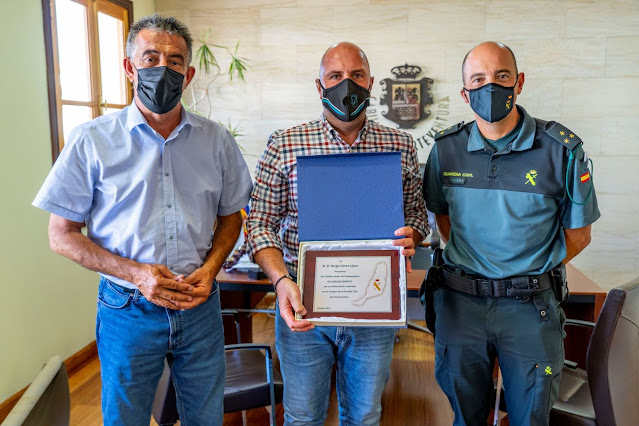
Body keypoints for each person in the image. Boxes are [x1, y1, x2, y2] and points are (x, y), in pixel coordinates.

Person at [32, 14, 252, 425]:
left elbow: (231, 217)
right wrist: (136, 274)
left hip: (199, 305)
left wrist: (211, 268)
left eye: (174, 61)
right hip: (126, 307)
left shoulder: (216, 140)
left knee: (206, 417)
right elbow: (61, 235)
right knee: (125, 419)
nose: (162, 69)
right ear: (130, 68)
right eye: (150, 58)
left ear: (188, 75)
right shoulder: (91, 140)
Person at [246, 42, 429, 425]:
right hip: (303, 308)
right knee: (303, 416)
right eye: (335, 76)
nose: (347, 84)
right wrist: (280, 281)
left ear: (371, 83)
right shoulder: (285, 144)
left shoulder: (399, 144)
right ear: (320, 86)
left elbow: (417, 217)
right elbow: (260, 224)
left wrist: (412, 233)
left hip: (375, 310)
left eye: (356, 75)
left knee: (364, 416)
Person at [423, 41, 600, 425]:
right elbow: (443, 218)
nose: (490, 86)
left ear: (518, 82)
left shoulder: (560, 150)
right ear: (464, 93)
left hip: (530, 309)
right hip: (461, 306)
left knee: (530, 417)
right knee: (465, 416)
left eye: (501, 76)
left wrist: (525, 265)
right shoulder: (445, 149)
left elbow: (579, 235)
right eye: (478, 79)